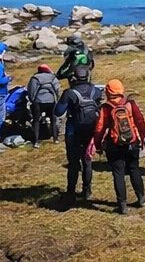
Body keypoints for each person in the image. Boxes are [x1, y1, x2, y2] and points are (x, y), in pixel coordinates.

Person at [94, 79, 145, 215]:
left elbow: (100, 128)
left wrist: (97, 145)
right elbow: (140, 120)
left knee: (118, 173)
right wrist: (142, 137)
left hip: (114, 144)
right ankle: (141, 198)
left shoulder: (106, 108)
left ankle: (122, 204)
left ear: (107, 91)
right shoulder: (130, 103)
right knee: (134, 169)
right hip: (132, 142)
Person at [53, 64, 102, 205]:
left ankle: (71, 192)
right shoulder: (96, 91)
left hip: (73, 131)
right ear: (88, 75)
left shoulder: (70, 93)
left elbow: (58, 112)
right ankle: (87, 190)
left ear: (73, 76)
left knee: (73, 163)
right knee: (87, 161)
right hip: (91, 130)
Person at [26, 64, 60, 147]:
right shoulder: (53, 78)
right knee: (53, 120)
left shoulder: (34, 78)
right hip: (51, 101)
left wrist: (32, 101)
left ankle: (36, 141)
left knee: (36, 120)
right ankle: (55, 139)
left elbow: (31, 92)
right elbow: (58, 90)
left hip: (38, 101)